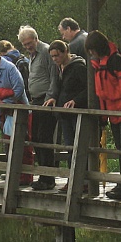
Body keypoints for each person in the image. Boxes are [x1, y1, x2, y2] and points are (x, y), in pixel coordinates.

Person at [85, 30, 121, 200]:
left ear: (97, 48)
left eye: (91, 50)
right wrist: (104, 117)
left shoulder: (117, 61)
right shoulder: (101, 64)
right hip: (113, 111)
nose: (90, 54)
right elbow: (102, 93)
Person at [0, 45, 34, 186]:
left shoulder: (10, 68)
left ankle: (26, 176)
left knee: (23, 142)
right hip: (4, 112)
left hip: (19, 109)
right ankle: (14, 173)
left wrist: (6, 102)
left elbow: (19, 87)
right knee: (9, 142)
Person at [18, 26, 60, 191]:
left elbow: (54, 76)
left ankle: (48, 178)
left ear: (36, 38)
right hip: (35, 100)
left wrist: (50, 97)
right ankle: (43, 175)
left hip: (45, 100)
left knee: (44, 138)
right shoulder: (32, 55)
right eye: (24, 44)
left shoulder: (46, 52)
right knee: (36, 137)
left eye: (29, 43)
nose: (27, 46)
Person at [43, 40, 88, 191]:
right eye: (52, 56)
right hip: (64, 113)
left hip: (77, 113)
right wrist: (53, 97)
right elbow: (59, 87)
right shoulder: (59, 68)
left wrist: (76, 100)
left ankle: (84, 181)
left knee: (79, 147)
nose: (55, 59)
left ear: (65, 52)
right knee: (69, 147)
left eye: (57, 55)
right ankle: (72, 179)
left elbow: (89, 89)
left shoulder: (78, 67)